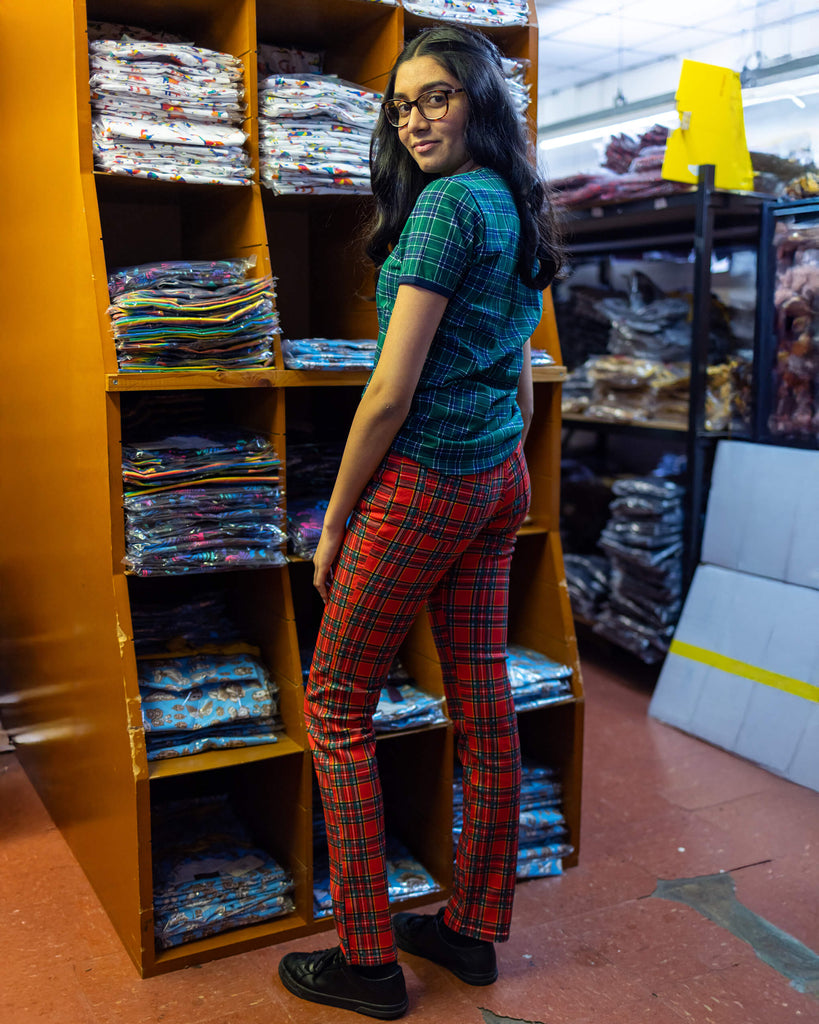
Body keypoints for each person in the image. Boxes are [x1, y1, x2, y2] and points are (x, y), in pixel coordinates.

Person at [277, 24, 563, 1020]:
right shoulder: (519, 203)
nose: (414, 119)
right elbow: (520, 378)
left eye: (436, 96)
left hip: (428, 481)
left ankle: (366, 962)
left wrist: (336, 520)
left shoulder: (444, 210)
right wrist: (506, 469)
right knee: (483, 705)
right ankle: (473, 932)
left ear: (482, 99)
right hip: (496, 477)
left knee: (335, 706)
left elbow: (389, 393)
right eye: (401, 105)